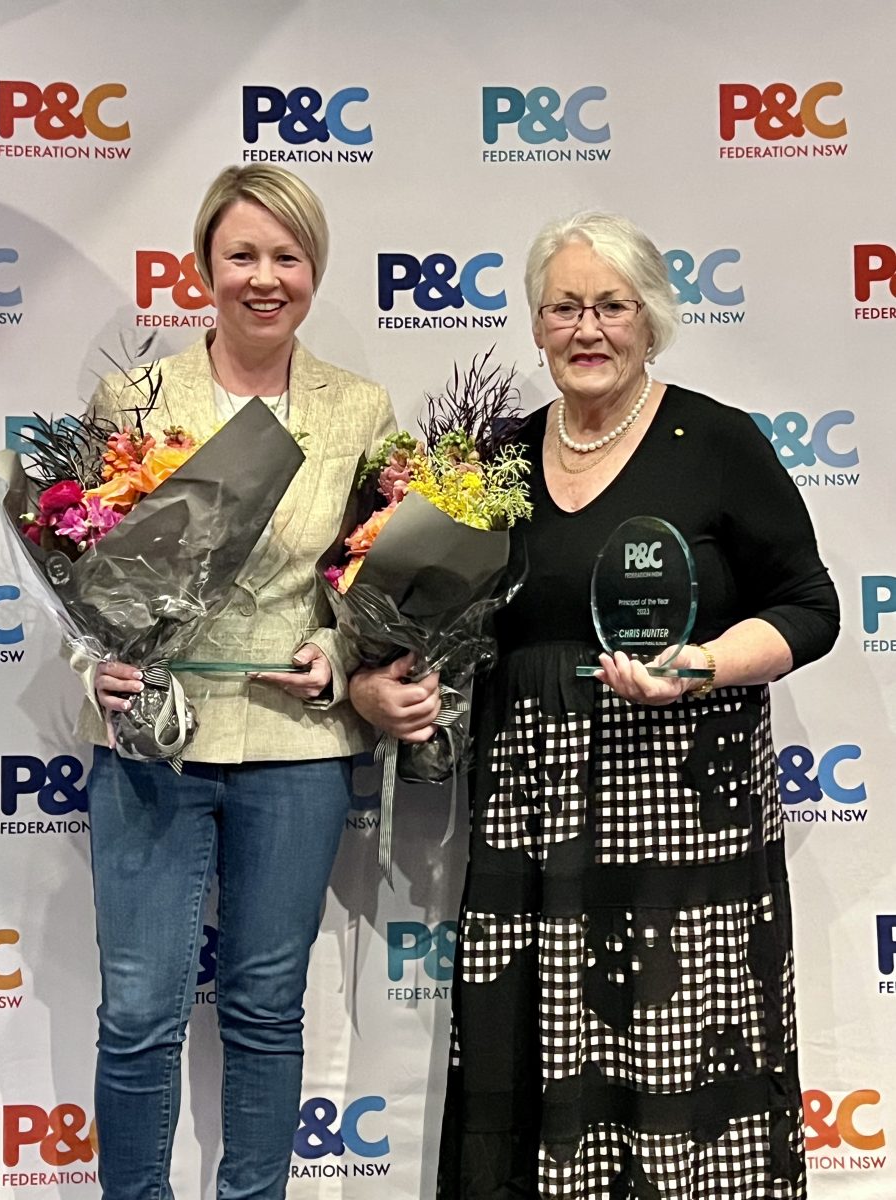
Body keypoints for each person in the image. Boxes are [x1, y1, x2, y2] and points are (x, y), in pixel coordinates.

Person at [350, 211, 839, 1198]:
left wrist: (698, 665)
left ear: (650, 317)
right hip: (531, 813)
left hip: (683, 818)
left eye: (610, 306)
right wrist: (378, 677)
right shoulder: (495, 462)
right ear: (535, 324)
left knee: (671, 1062)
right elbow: (421, 616)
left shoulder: (718, 441)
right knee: (528, 1055)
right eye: (564, 307)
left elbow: (810, 608)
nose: (587, 328)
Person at [74, 164, 396, 1200]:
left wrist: (344, 656)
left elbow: (378, 577)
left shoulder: (359, 408)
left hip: (296, 749)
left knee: (264, 1007)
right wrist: (98, 666)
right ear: (203, 268)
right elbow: (83, 571)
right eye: (242, 256)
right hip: (152, 744)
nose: (265, 278)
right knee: (136, 1009)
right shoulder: (137, 398)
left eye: (287, 257)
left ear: (315, 270)